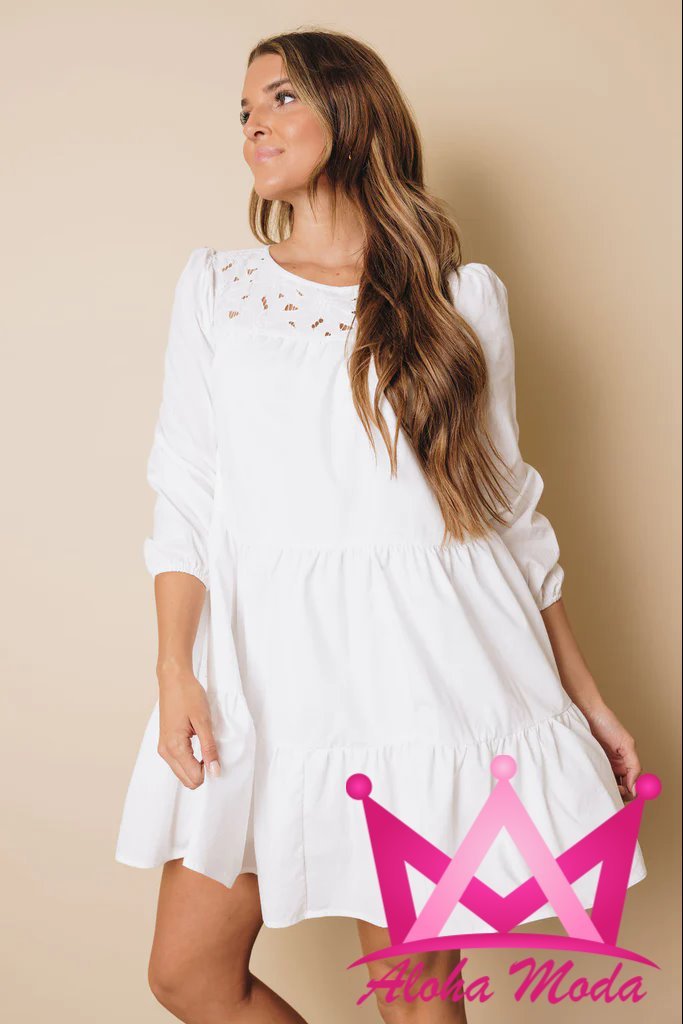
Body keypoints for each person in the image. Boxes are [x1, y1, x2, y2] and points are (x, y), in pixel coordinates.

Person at [115, 28, 647, 1024]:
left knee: (414, 1000)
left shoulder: (460, 301)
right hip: (266, 674)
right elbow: (184, 491)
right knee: (187, 972)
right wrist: (174, 667)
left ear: (350, 109)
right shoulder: (218, 290)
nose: (253, 125)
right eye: (243, 110)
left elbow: (505, 513)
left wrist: (587, 700)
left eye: (279, 99)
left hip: (422, 677)